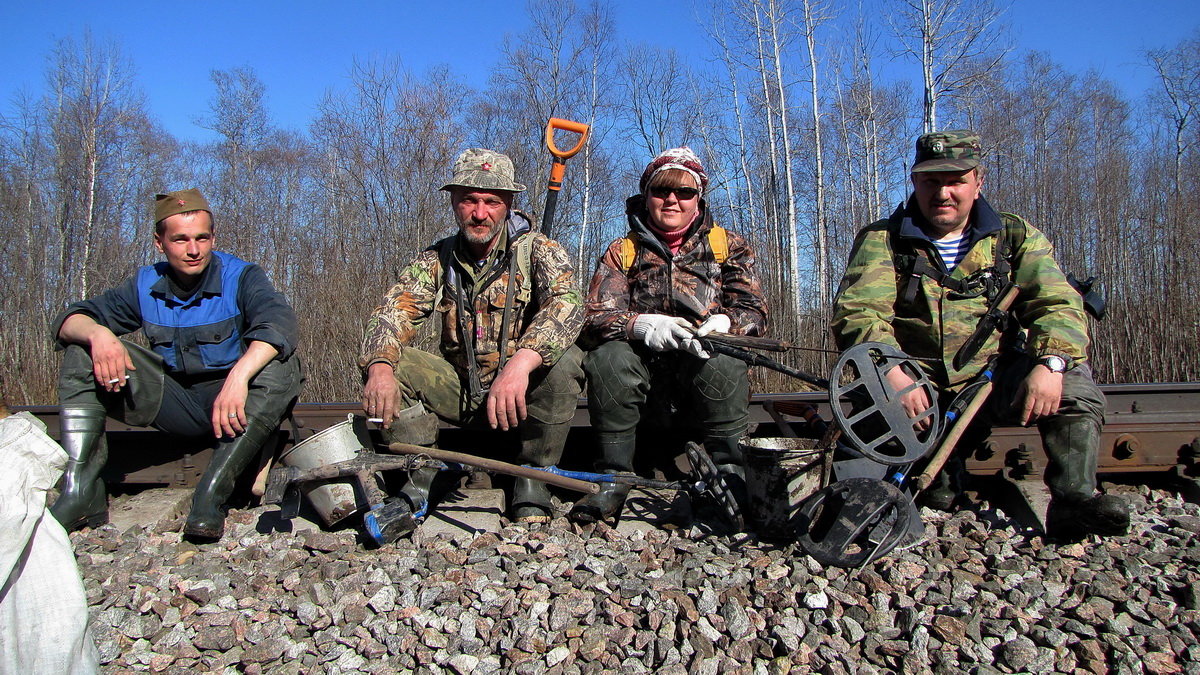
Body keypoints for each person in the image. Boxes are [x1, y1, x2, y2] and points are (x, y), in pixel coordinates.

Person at [831, 130, 1129, 540]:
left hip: (993, 382)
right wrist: (891, 370)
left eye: (955, 181)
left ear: (978, 181)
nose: (943, 193)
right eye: (931, 182)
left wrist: (1051, 362)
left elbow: (1057, 303)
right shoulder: (883, 239)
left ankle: (1074, 503)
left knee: (1075, 387)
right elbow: (858, 312)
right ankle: (940, 470)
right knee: (934, 495)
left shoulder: (1014, 237)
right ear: (915, 182)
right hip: (915, 386)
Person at [51, 188, 303, 541]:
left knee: (283, 363)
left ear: (213, 237)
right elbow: (66, 322)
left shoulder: (241, 276)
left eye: (202, 238)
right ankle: (81, 492)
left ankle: (211, 494)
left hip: (234, 407)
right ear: (160, 243)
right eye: (181, 239)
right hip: (174, 402)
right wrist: (97, 334)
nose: (194, 249)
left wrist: (239, 377)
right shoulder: (144, 284)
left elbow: (279, 324)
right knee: (81, 351)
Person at [360, 149, 585, 523]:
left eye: (491, 202)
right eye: (469, 201)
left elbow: (568, 304)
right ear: (453, 202)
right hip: (463, 389)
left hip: (522, 395)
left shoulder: (538, 251)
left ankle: (535, 478)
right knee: (386, 364)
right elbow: (393, 311)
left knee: (566, 360)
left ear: (509, 203)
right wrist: (380, 366)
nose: (480, 213)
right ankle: (422, 475)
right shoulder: (437, 258)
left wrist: (520, 366)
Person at [572, 147, 769, 524]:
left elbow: (755, 311)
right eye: (662, 191)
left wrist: (726, 324)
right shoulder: (622, 251)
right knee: (608, 357)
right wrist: (641, 325)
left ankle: (729, 476)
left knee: (726, 357)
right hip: (643, 380)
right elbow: (594, 317)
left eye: (685, 192)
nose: (673, 200)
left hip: (705, 375)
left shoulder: (729, 246)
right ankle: (613, 478)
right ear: (646, 195)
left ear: (699, 198)